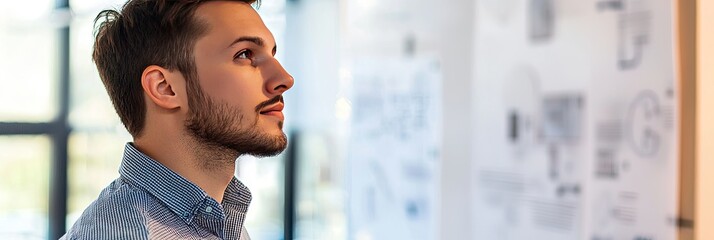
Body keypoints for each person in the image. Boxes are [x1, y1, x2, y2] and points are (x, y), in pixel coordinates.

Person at [61, 0, 294, 239]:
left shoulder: (220, 219)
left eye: (272, 53)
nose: (284, 78)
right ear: (165, 88)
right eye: (244, 54)